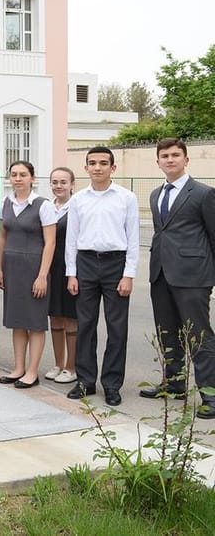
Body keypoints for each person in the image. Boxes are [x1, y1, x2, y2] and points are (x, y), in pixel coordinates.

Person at [142, 138, 215, 417]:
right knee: (167, 333)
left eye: (175, 155)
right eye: (164, 156)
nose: (170, 159)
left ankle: (211, 395)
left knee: (199, 335)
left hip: (193, 276)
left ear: (186, 160)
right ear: (158, 162)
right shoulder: (155, 194)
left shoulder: (203, 194)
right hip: (160, 273)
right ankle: (174, 384)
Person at [64, 146, 140, 406]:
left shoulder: (126, 198)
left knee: (117, 328)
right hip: (85, 263)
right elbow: (71, 240)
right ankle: (85, 381)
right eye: (92, 163)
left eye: (103, 163)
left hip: (115, 264)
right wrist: (71, 273)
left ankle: (112, 383)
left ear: (113, 168)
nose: (98, 167)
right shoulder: (78, 200)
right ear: (85, 168)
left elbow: (133, 238)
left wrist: (128, 274)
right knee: (85, 325)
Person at [0, 161, 56, 388]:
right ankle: (18, 368)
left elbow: (50, 243)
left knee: (35, 322)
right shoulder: (6, 203)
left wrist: (42, 276)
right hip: (12, 267)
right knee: (17, 321)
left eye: (22, 174)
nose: (17, 178)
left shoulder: (43, 205)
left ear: (32, 177)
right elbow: (2, 237)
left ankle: (32, 371)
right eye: (14, 175)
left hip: (34, 268)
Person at [45, 167, 78, 384]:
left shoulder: (77, 207)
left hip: (72, 268)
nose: (58, 186)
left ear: (72, 184)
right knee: (54, 315)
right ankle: (58, 363)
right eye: (55, 182)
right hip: (51, 268)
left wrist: (73, 273)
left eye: (63, 182)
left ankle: (71, 367)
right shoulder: (48, 207)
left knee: (70, 317)